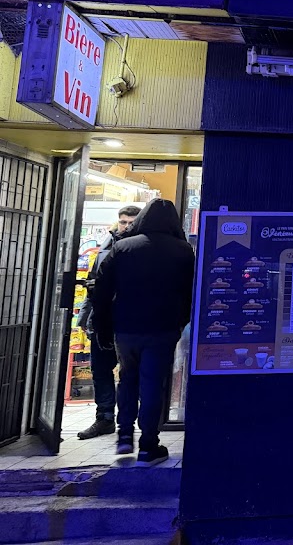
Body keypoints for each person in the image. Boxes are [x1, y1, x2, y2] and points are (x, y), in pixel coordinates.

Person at [93, 199, 194, 467]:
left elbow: (102, 290)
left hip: (126, 327)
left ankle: (125, 435)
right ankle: (149, 445)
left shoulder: (123, 247)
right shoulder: (183, 251)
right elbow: (190, 293)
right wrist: (181, 322)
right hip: (162, 328)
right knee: (152, 383)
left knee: (127, 378)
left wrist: (103, 327)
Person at [77, 205, 139, 440]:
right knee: (101, 370)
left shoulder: (143, 248)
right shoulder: (106, 246)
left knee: (129, 372)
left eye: (131, 222)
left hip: (130, 321)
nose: (126, 226)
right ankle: (104, 418)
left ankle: (127, 421)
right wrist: (85, 317)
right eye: (123, 222)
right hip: (103, 319)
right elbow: (92, 283)